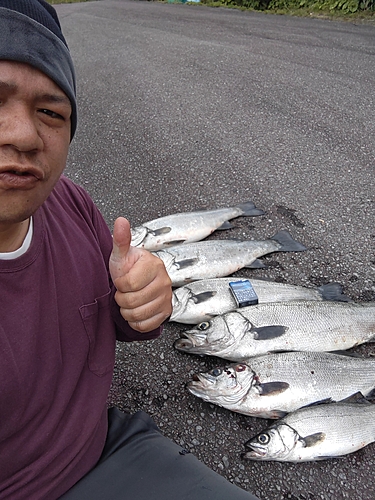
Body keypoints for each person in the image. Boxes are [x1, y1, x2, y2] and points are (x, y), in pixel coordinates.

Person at [0, 1, 260, 499]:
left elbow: (118, 319)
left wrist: (145, 303)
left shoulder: (68, 202)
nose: (24, 135)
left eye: (51, 112)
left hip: (107, 446)